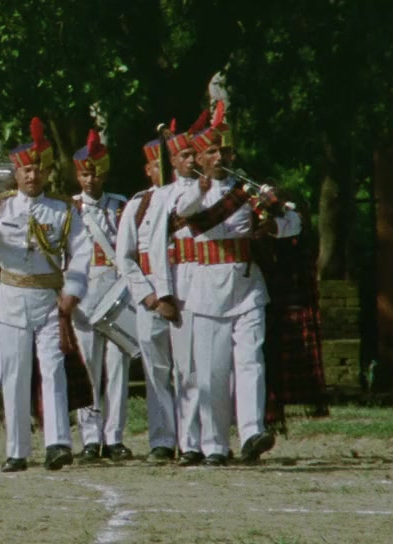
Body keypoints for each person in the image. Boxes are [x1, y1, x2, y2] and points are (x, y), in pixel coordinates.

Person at [170, 102, 302, 466]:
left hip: (246, 286)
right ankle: (214, 444)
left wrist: (274, 220)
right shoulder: (188, 191)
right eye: (212, 151)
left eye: (224, 150)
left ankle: (251, 433)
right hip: (206, 289)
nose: (220, 157)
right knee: (212, 372)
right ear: (199, 157)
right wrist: (201, 186)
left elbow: (294, 223)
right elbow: (185, 213)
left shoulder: (249, 188)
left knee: (250, 361)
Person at [0, 118, 92, 473]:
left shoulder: (63, 209)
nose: (32, 176)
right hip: (11, 295)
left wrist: (73, 291)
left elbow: (81, 252)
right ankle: (17, 449)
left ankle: (57, 443)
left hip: (48, 297)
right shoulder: (1, 205)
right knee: (15, 371)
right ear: (16, 173)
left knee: (53, 369)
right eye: (25, 170)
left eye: (38, 169)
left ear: (47, 172)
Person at [146, 113, 210, 467]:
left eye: (194, 154)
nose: (191, 160)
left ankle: (212, 439)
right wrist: (163, 293)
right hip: (181, 280)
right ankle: (188, 442)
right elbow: (156, 248)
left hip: (212, 279)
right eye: (184, 155)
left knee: (210, 363)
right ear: (172, 161)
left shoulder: (214, 190)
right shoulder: (163, 197)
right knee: (185, 367)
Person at [113, 137, 179, 464]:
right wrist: (150, 297)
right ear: (148, 169)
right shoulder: (138, 205)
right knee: (157, 371)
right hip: (151, 298)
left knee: (192, 371)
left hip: (188, 294)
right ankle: (163, 440)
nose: (164, 171)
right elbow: (124, 258)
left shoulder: (188, 199)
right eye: (157, 165)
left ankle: (196, 441)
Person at [68, 129, 130, 462]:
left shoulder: (120, 206)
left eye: (94, 174)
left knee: (117, 366)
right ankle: (90, 438)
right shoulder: (69, 208)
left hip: (116, 289)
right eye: (83, 174)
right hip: (84, 289)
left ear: (103, 173)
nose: (89, 180)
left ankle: (114, 437)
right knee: (88, 367)